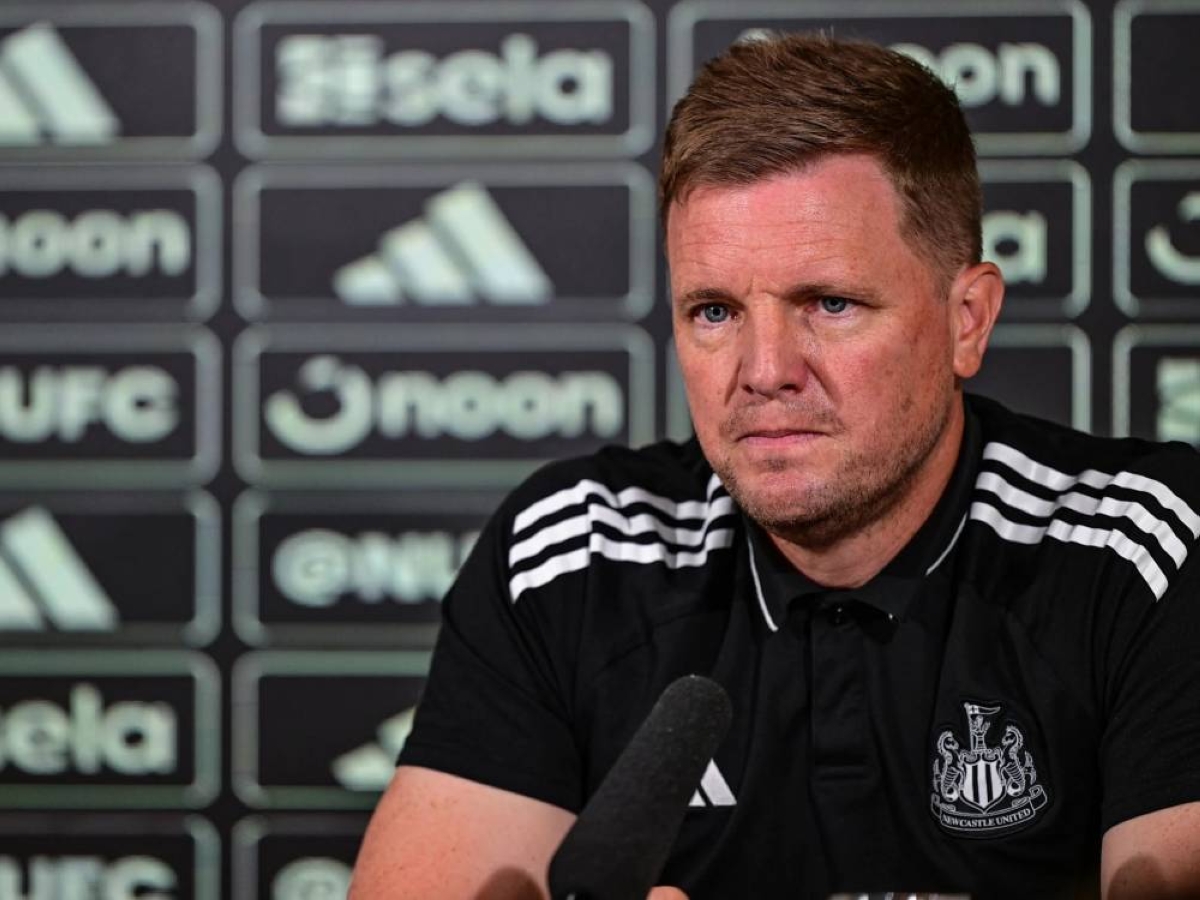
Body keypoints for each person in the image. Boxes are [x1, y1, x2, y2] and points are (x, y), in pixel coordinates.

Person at [348, 33, 1200, 899]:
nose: (764, 371)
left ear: (967, 319)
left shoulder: (1140, 548)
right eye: (715, 311)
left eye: (829, 303)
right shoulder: (577, 550)